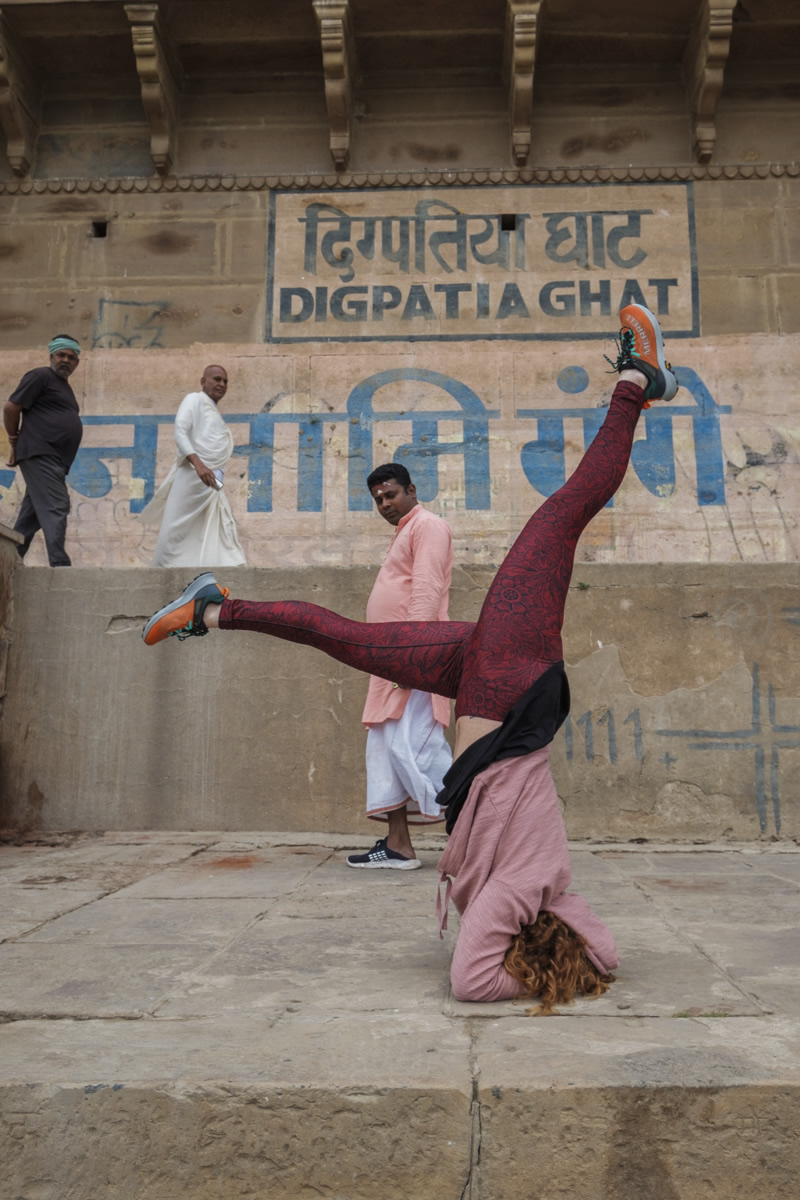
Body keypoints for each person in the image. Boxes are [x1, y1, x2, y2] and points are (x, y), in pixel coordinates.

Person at [142, 303, 678, 1011]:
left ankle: (211, 609)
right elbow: (550, 962)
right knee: (557, 517)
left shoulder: (525, 893)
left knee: (353, 631)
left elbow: (482, 978)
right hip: (502, 691)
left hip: (498, 685)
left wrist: (560, 967)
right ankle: (637, 381)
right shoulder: (537, 892)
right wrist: (561, 975)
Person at [346, 463, 453, 871]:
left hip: (413, 659)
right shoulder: (405, 531)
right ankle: (399, 847)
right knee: (388, 750)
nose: (384, 504)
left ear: (411, 489)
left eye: (391, 495)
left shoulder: (428, 526)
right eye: (378, 499)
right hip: (391, 661)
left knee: (419, 751)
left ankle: (489, 833)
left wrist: (412, 653)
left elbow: (426, 587)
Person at [140, 365, 246, 568]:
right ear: (203, 382)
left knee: (219, 529)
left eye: (225, 381)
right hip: (192, 478)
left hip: (210, 484)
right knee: (176, 531)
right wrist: (199, 465)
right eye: (216, 379)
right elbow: (180, 431)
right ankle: (164, 573)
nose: (222, 384)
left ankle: (217, 572)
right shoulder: (194, 400)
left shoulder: (213, 411)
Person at [3, 334, 83, 566]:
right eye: (61, 355)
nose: (65, 360)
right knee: (57, 505)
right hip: (40, 453)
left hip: (54, 460)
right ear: (51, 356)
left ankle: (10, 561)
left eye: (71, 357)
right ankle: (60, 565)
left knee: (32, 515)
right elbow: (11, 408)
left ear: (77, 362)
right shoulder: (40, 376)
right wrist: (14, 440)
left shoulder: (63, 388)